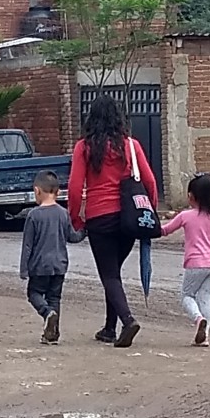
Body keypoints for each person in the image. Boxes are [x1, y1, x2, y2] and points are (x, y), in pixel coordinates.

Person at [68, 94, 158, 348]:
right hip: (129, 219)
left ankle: (128, 321)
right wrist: (149, 212)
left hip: (100, 218)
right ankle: (109, 328)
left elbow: (75, 188)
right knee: (114, 274)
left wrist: (75, 217)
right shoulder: (131, 146)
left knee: (109, 275)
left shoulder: (84, 148)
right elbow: (149, 181)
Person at [161, 173, 210, 347]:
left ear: (192, 196)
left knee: (187, 295)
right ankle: (205, 335)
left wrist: (146, 228)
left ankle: (198, 319)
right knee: (206, 298)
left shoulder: (186, 216)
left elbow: (165, 230)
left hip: (195, 265)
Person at [20, 170, 86, 345]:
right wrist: (85, 229)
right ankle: (53, 334)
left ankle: (47, 313)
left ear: (37, 191)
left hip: (39, 265)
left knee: (33, 293)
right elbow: (73, 237)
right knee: (55, 297)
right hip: (60, 265)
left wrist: (24, 269)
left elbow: (28, 245)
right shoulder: (63, 214)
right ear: (58, 192)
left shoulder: (34, 216)